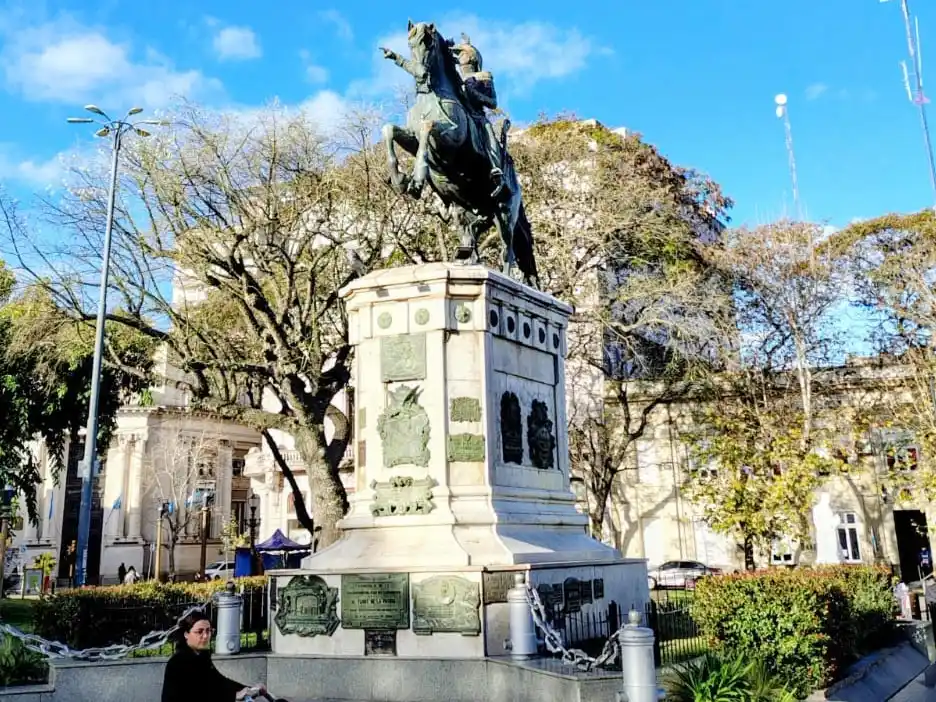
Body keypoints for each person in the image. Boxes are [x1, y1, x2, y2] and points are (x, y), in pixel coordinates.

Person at [449, 33, 507, 199]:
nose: (459, 58)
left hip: (477, 116)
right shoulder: (455, 78)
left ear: (472, 58)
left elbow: (493, 103)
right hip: (461, 115)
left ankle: (496, 170)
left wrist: (476, 94)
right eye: (458, 55)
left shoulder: (484, 77)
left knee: (489, 135)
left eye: (462, 54)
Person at [161, 612, 266, 702]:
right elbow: (198, 694)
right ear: (186, 634)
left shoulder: (202, 658)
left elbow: (220, 682)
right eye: (200, 632)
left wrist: (249, 689)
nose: (206, 636)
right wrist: (234, 696)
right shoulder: (178, 663)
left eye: (208, 631)